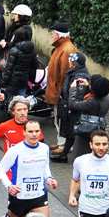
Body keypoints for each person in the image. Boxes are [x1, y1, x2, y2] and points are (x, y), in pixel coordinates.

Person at [0, 119, 57, 217]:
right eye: (30, 131)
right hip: (20, 197)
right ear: (24, 133)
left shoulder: (44, 148)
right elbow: (0, 170)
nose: (34, 134)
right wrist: (9, 186)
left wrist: (49, 179)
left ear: (40, 132)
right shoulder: (16, 150)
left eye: (36, 131)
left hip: (39, 196)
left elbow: (45, 167)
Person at [46, 23, 78, 156]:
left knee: (62, 119)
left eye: (53, 34)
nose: (52, 36)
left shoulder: (67, 50)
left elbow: (66, 74)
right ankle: (61, 143)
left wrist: (62, 94)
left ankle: (64, 145)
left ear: (58, 35)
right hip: (57, 91)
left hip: (60, 93)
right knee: (58, 119)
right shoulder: (62, 47)